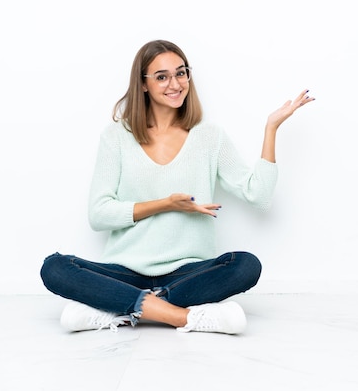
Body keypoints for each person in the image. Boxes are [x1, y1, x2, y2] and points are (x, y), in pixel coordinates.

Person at [39, 40, 314, 334]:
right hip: (124, 271)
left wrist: (271, 128)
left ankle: (121, 309)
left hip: (186, 273)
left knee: (246, 265)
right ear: (143, 84)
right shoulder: (117, 137)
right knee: (54, 267)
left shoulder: (209, 137)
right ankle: (182, 317)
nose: (175, 83)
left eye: (181, 73)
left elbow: (258, 196)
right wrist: (166, 204)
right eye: (162, 76)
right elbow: (99, 214)